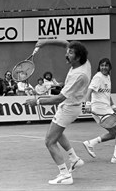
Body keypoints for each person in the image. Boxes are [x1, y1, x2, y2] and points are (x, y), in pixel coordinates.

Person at [26, 39, 91, 185]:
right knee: (57, 132)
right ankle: (74, 159)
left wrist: (36, 101)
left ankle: (65, 174)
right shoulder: (85, 62)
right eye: (68, 51)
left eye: (70, 53)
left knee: (50, 141)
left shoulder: (78, 75)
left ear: (78, 57)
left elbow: (59, 98)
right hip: (70, 106)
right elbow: (65, 42)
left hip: (68, 108)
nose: (66, 54)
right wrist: (45, 42)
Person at [83, 58, 116, 163]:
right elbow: (88, 91)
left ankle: (90, 143)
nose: (104, 67)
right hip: (99, 109)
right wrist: (87, 104)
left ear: (109, 67)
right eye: (102, 65)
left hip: (106, 108)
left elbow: (107, 95)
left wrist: (114, 108)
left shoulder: (107, 77)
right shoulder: (98, 77)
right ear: (99, 67)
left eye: (106, 65)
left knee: (114, 133)